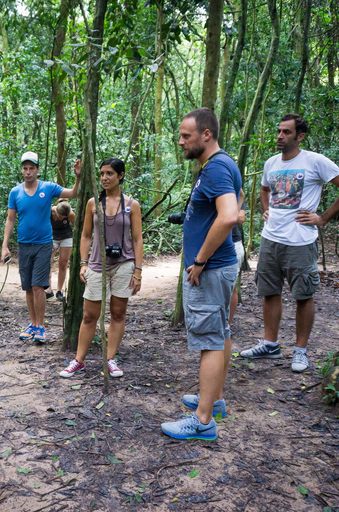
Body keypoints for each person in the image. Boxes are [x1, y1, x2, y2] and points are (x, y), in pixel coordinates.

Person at [240, 114, 339, 372]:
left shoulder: (315, 161)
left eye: (286, 132)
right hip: (271, 239)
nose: (279, 136)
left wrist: (323, 218)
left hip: (301, 241)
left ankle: (300, 351)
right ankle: (270, 345)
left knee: (303, 295)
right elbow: (264, 189)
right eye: (279, 131)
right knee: (269, 292)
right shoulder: (271, 163)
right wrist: (266, 209)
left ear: (300, 136)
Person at [160, 108, 240, 441]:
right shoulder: (221, 165)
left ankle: (202, 420)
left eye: (186, 136)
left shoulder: (217, 167)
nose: (181, 141)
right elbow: (237, 208)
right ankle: (215, 399)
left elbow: (229, 217)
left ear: (206, 134)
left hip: (211, 268)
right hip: (219, 266)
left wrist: (202, 259)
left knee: (209, 340)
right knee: (219, 332)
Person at [59, 158, 144, 379]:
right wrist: (83, 262)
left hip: (123, 263)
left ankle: (110, 359)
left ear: (121, 176)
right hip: (97, 264)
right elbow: (85, 235)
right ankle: (79, 361)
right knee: (89, 315)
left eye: (110, 174)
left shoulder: (131, 204)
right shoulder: (92, 203)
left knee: (118, 313)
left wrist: (138, 271)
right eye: (102, 174)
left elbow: (137, 239)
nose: (105, 178)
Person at [1, 151, 81, 343]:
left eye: (31, 168)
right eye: (25, 168)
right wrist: (5, 245)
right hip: (23, 244)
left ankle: (41, 326)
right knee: (28, 287)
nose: (28, 172)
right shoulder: (15, 192)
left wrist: (78, 177)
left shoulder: (48, 187)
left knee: (38, 286)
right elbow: (10, 219)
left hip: (44, 244)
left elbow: (74, 193)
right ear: (22, 170)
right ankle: (33, 324)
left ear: (38, 169)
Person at [45, 199, 75, 301]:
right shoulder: (48, 211)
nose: (61, 218)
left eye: (64, 217)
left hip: (66, 237)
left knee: (63, 264)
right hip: (51, 236)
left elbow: (79, 227)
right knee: (46, 262)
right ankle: (48, 289)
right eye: (60, 216)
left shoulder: (70, 214)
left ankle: (59, 290)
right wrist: (48, 240)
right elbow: (43, 226)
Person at [228, 193, 246, 328]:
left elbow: (241, 218)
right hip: (211, 244)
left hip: (233, 243)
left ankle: (226, 324)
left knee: (231, 287)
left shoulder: (236, 194)